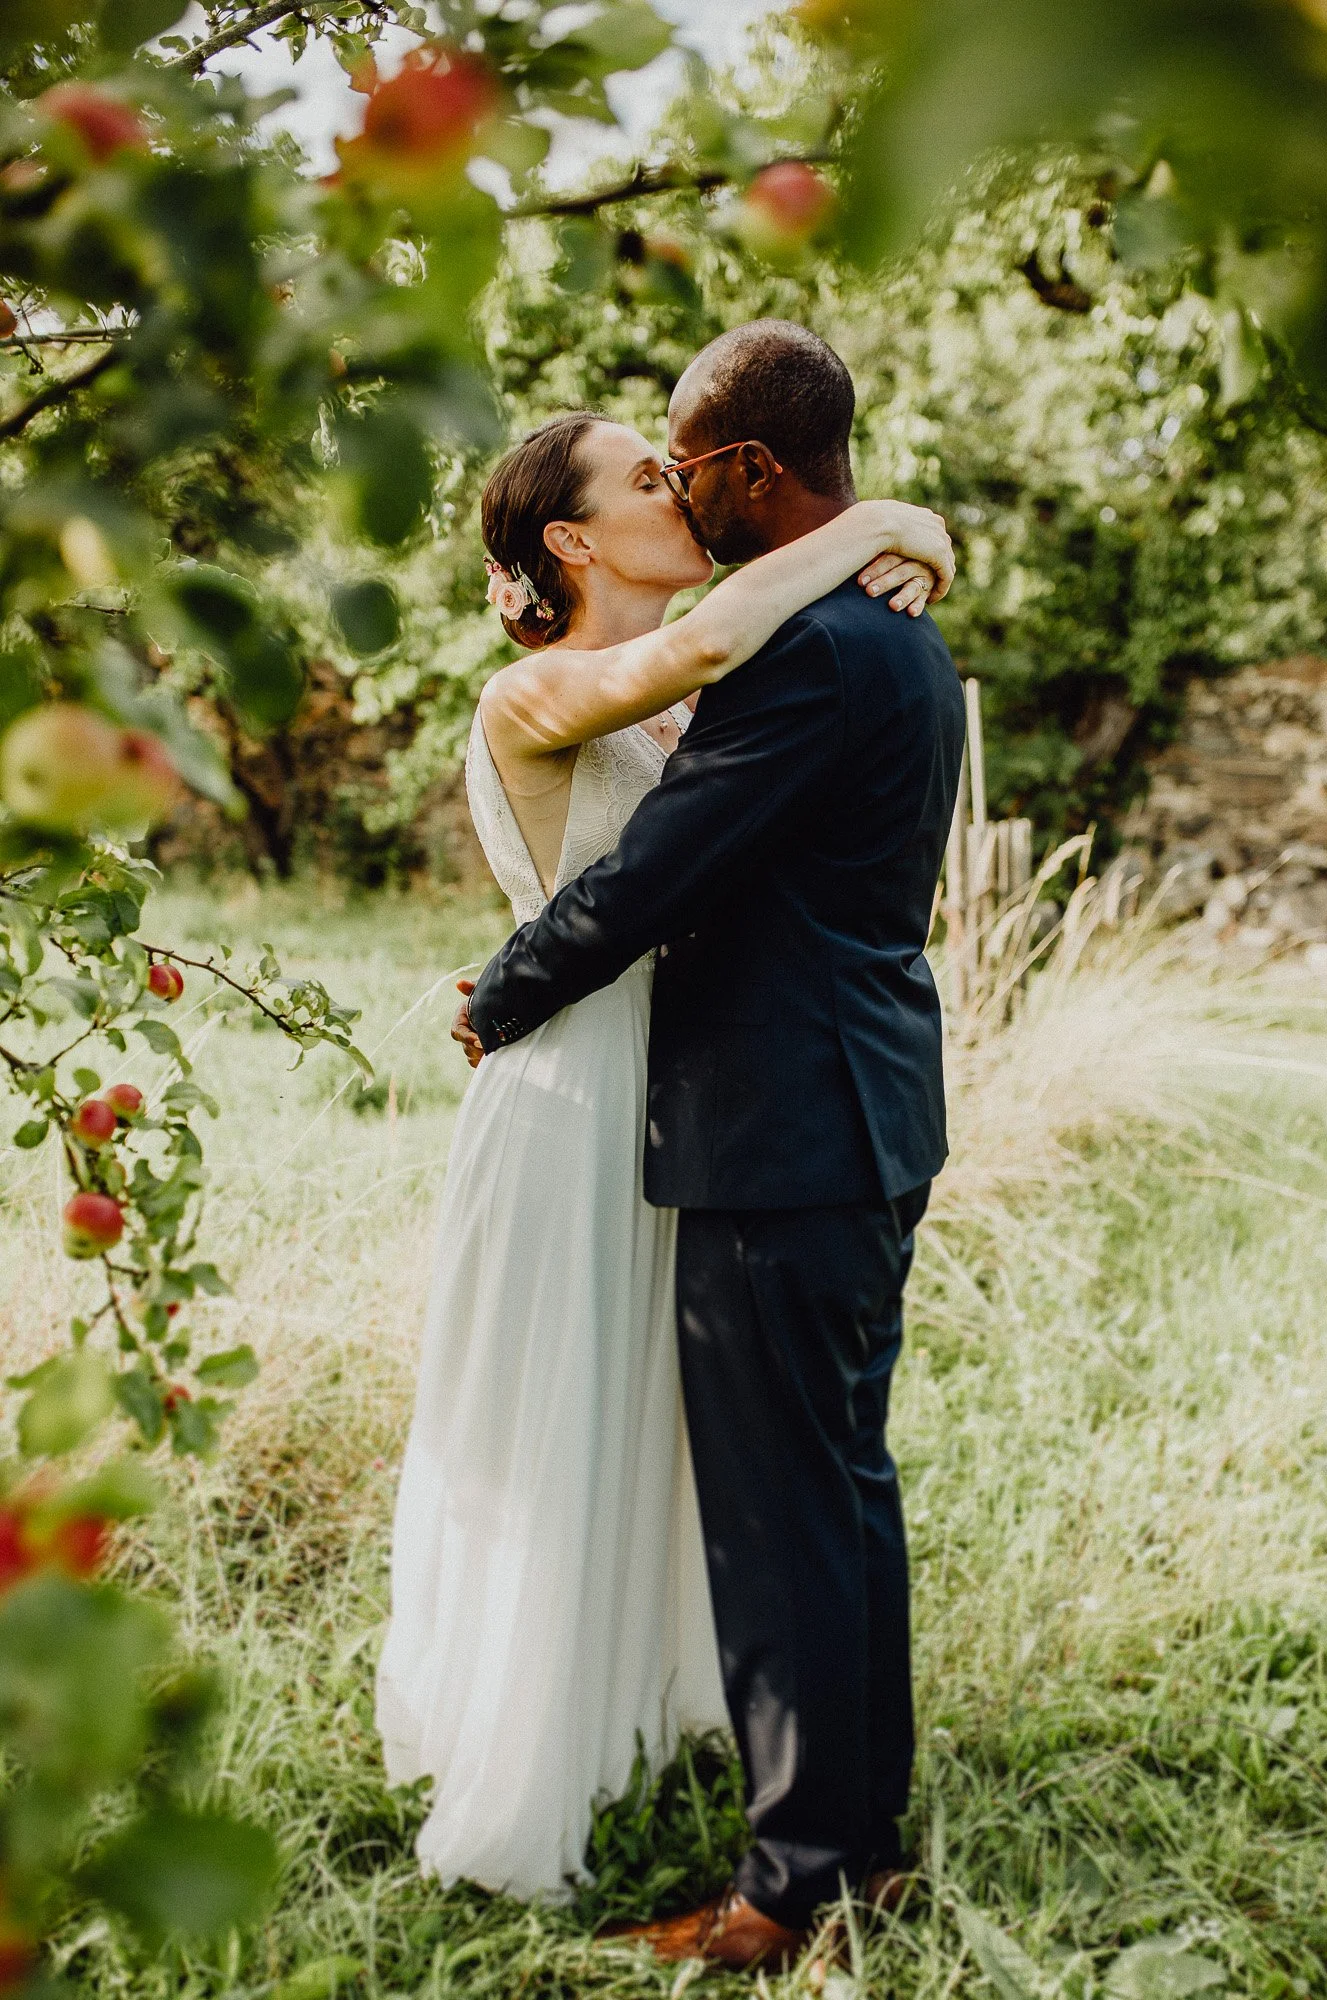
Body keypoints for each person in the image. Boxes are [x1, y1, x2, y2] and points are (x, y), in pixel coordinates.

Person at [376, 383, 955, 1905]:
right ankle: (524, 1753)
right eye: (647, 477)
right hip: (573, 1102)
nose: (678, 489)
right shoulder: (539, 696)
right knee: (548, 1417)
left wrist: (895, 538)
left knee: (670, 1440)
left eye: (682, 464)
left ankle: (669, 1731)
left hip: (694, 1106)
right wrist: (887, 522)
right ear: (572, 538)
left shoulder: (708, 692)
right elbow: (695, 656)